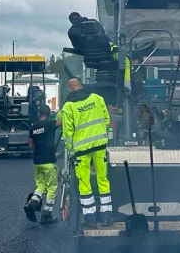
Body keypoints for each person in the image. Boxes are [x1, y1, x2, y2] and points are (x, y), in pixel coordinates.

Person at [60, 77, 113, 225]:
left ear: (70, 89)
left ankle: (90, 217)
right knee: (102, 178)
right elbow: (106, 119)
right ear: (81, 86)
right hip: (100, 146)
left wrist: (71, 149)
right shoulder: (97, 98)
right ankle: (106, 216)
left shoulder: (68, 107)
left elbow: (67, 133)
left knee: (85, 182)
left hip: (81, 151)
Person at [24, 107, 59, 225]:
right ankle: (47, 214)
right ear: (49, 114)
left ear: (39, 114)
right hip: (49, 162)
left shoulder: (33, 128)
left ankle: (31, 204)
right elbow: (62, 121)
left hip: (37, 162)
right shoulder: (50, 124)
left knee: (41, 186)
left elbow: (30, 145)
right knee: (52, 188)